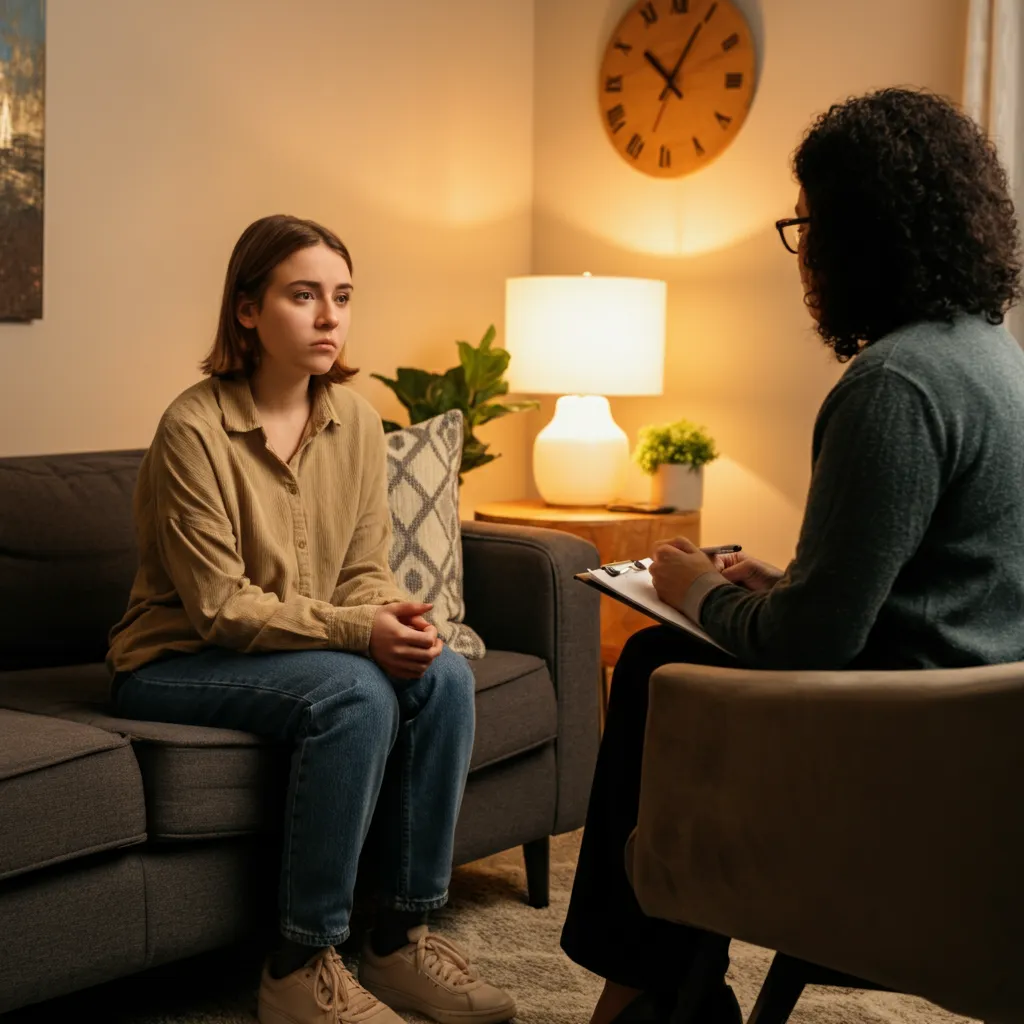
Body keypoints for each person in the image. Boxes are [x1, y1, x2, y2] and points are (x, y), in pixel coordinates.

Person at [560, 87, 1024, 1024]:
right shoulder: (996, 361)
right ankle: (658, 990)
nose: (802, 249)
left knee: (654, 662)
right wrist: (779, 586)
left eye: (805, 222)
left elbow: (811, 645)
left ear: (855, 233)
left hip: (893, 767)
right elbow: (937, 587)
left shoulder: (892, 383)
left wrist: (694, 589)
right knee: (675, 661)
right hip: (978, 759)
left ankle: (645, 994)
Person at [106, 214, 516, 1024]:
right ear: (249, 311)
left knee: (446, 678)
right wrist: (358, 633)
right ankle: (300, 963)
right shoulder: (192, 429)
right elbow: (222, 609)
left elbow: (362, 569)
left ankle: (399, 941)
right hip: (175, 660)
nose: (329, 316)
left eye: (342, 297)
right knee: (354, 694)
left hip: (285, 650)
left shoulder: (357, 421)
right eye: (304, 296)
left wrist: (395, 617)